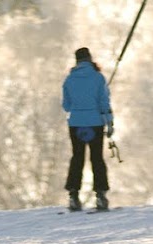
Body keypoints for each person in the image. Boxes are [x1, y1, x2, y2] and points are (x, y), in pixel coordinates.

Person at [61, 47, 113, 212]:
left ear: (76, 61)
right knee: (96, 158)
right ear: (90, 59)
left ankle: (74, 195)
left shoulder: (69, 79)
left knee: (77, 157)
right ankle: (100, 195)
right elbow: (104, 103)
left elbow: (66, 106)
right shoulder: (98, 78)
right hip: (95, 123)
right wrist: (110, 123)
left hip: (76, 123)